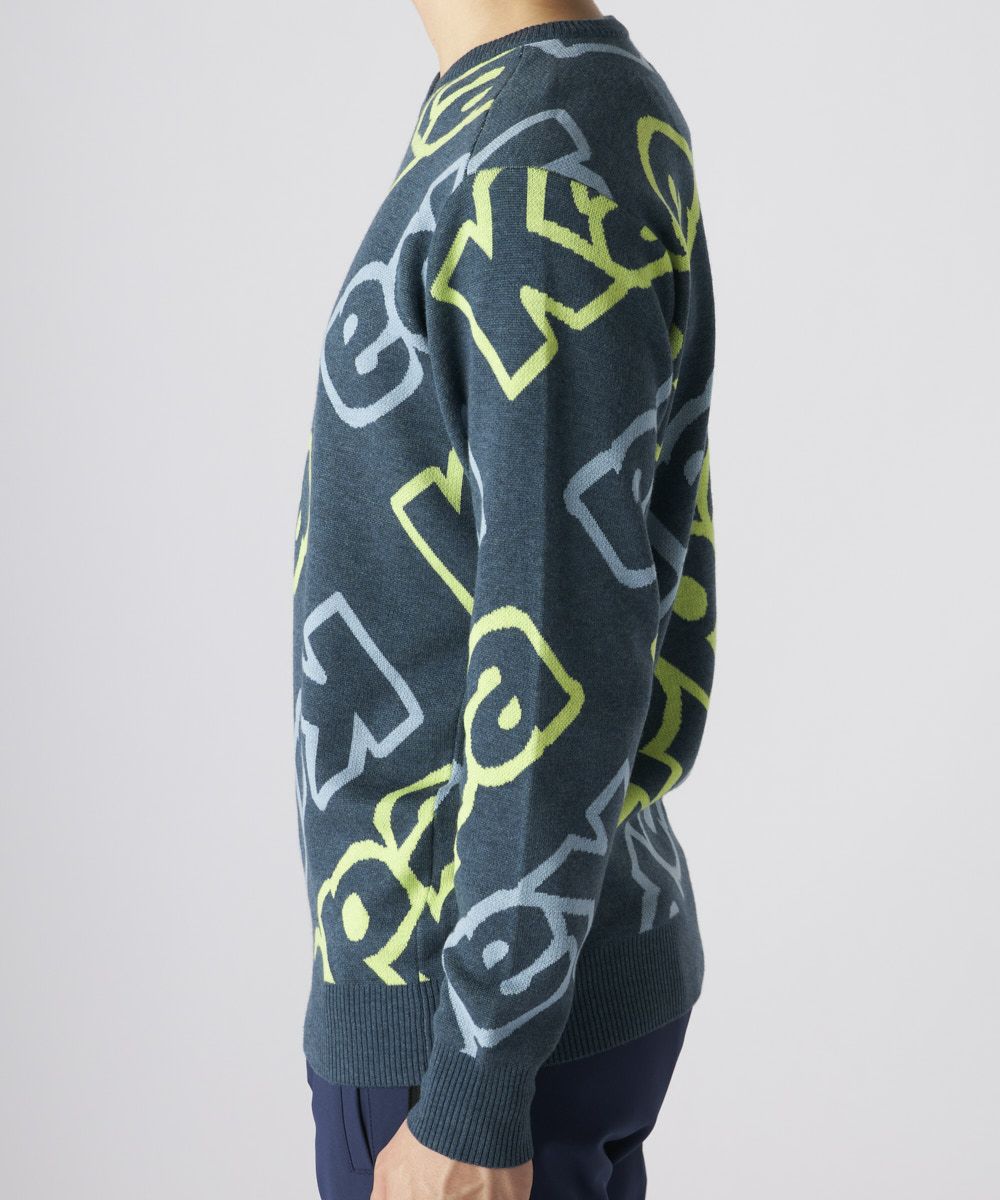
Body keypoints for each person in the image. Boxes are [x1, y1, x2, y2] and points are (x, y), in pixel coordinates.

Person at [291, 2, 717, 1196]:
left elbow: (556, 633)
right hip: (489, 989)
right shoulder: (523, 109)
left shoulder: (537, 141)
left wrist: (475, 1092)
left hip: (471, 1026)